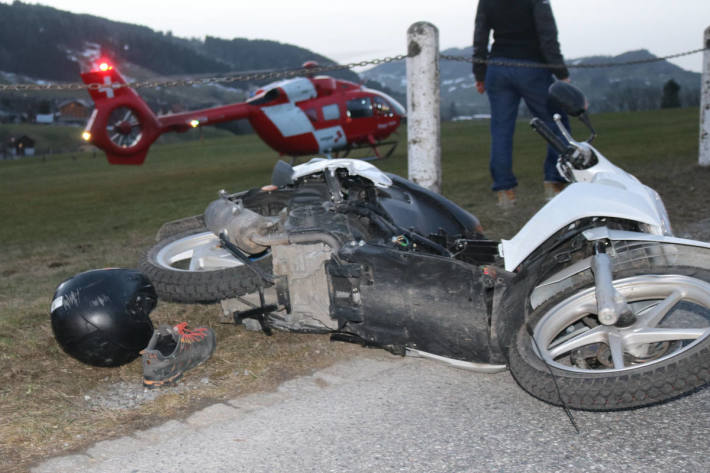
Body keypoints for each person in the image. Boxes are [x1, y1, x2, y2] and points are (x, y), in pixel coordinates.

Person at [473, 0, 570, 208]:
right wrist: (560, 73)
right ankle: (554, 182)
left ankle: (505, 192)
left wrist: (479, 73)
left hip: (498, 67)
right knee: (555, 122)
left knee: (500, 131)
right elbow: (547, 35)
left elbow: (480, 36)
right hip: (531, 66)